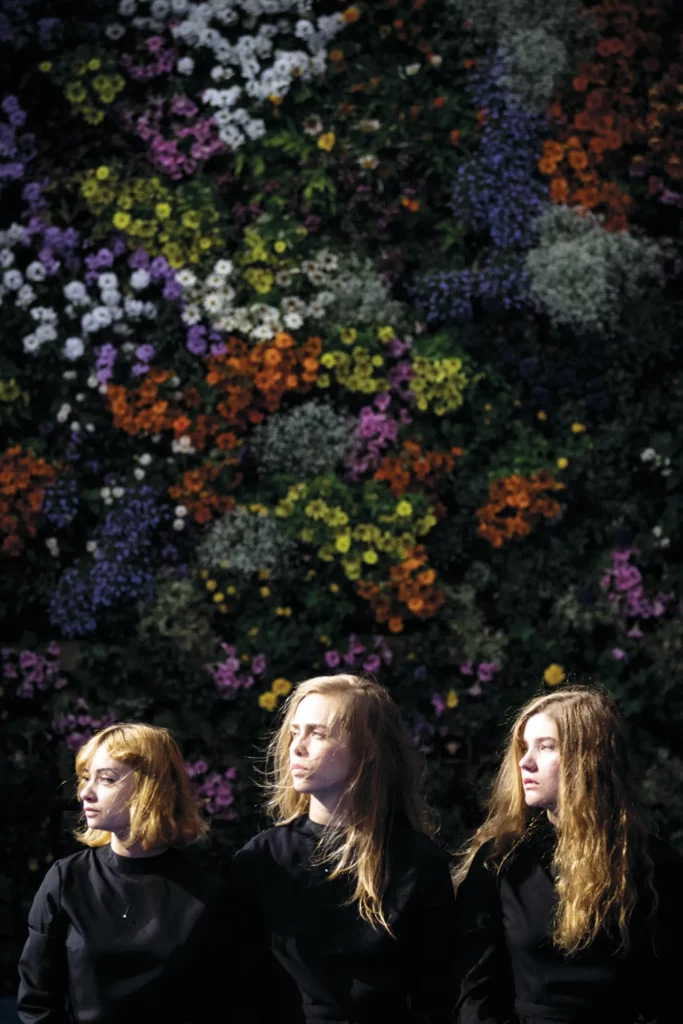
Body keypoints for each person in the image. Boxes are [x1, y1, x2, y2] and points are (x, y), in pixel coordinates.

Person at [230, 673, 457, 1023]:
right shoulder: (262, 860)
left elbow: (436, 996)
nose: (297, 746)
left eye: (317, 733)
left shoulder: (418, 863)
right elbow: (239, 992)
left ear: (367, 749)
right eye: (294, 732)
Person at [453, 686, 683, 1024]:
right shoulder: (502, 860)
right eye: (524, 747)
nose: (525, 761)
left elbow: (670, 995)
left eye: (545, 747)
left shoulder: (653, 865)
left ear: (589, 758)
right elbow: (473, 987)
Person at [17, 722, 228, 1023]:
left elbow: (228, 1004)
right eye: (86, 778)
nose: (85, 793)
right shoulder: (66, 880)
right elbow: (37, 1003)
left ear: (150, 788)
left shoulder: (206, 892)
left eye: (106, 779)